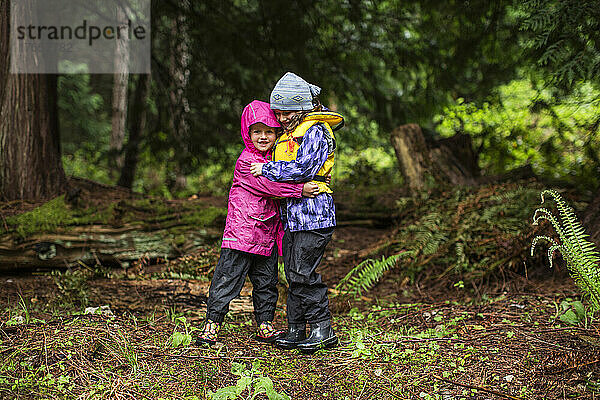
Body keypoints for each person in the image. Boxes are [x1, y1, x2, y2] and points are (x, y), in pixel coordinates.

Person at [196, 100, 319, 347]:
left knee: (267, 282)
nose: (263, 137)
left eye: (269, 131)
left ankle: (264, 324)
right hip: (242, 235)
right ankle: (212, 324)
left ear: (277, 133)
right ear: (247, 133)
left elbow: (283, 173)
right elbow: (269, 187)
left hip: (267, 235)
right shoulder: (247, 162)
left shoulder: (276, 159)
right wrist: (299, 190)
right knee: (227, 279)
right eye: (257, 132)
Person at [250, 72, 344, 353]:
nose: (281, 118)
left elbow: (305, 169)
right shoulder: (290, 133)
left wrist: (266, 170)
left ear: (302, 107)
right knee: (293, 274)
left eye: (287, 112)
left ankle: (322, 328)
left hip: (314, 217)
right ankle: (295, 328)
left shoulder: (315, 130)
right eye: (278, 112)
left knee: (304, 272)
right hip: (293, 218)